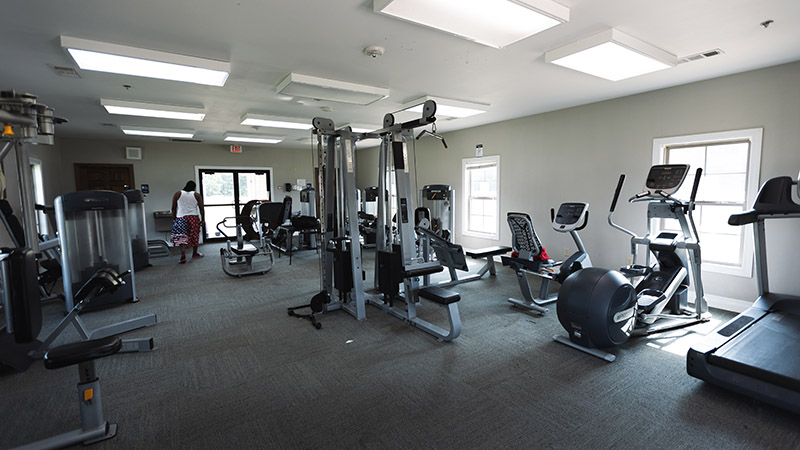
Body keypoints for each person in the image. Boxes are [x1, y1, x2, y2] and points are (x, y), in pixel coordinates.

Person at [171, 180, 205, 264]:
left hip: (181, 217)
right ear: (194, 187)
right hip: (193, 218)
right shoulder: (196, 195)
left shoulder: (178, 194)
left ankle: (183, 254)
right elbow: (201, 208)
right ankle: (195, 253)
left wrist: (174, 218)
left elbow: (173, 207)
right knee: (195, 235)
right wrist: (203, 219)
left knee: (182, 236)